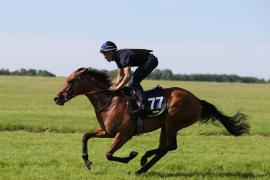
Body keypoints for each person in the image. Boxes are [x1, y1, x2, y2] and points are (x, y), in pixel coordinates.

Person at [100, 41, 158, 116]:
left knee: (133, 81)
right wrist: (115, 85)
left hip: (151, 60)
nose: (104, 57)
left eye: (105, 54)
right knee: (132, 82)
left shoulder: (123, 56)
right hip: (146, 61)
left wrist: (117, 87)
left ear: (110, 52)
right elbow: (120, 75)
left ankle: (145, 107)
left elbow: (127, 76)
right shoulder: (117, 58)